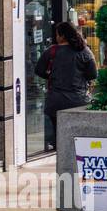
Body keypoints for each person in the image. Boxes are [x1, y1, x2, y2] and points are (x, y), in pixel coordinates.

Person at [35, 21, 97, 152]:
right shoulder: (84, 51)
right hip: (78, 100)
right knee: (79, 135)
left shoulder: (51, 51)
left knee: (59, 136)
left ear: (62, 36)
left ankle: (62, 159)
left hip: (55, 101)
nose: (56, 37)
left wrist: (52, 76)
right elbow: (93, 74)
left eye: (57, 34)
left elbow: (39, 70)